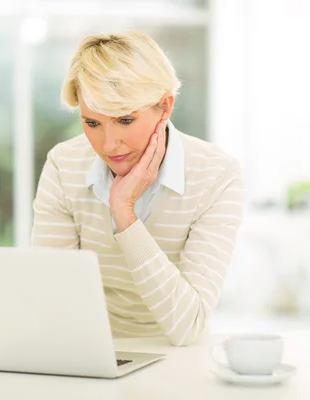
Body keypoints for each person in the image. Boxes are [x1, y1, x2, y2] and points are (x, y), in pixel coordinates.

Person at [31, 31, 243, 346]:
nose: (109, 144)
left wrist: (124, 216)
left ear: (165, 106)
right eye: (92, 124)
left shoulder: (216, 175)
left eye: (125, 121)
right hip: (88, 353)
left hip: (177, 360)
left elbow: (189, 325)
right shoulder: (64, 165)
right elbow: (51, 299)